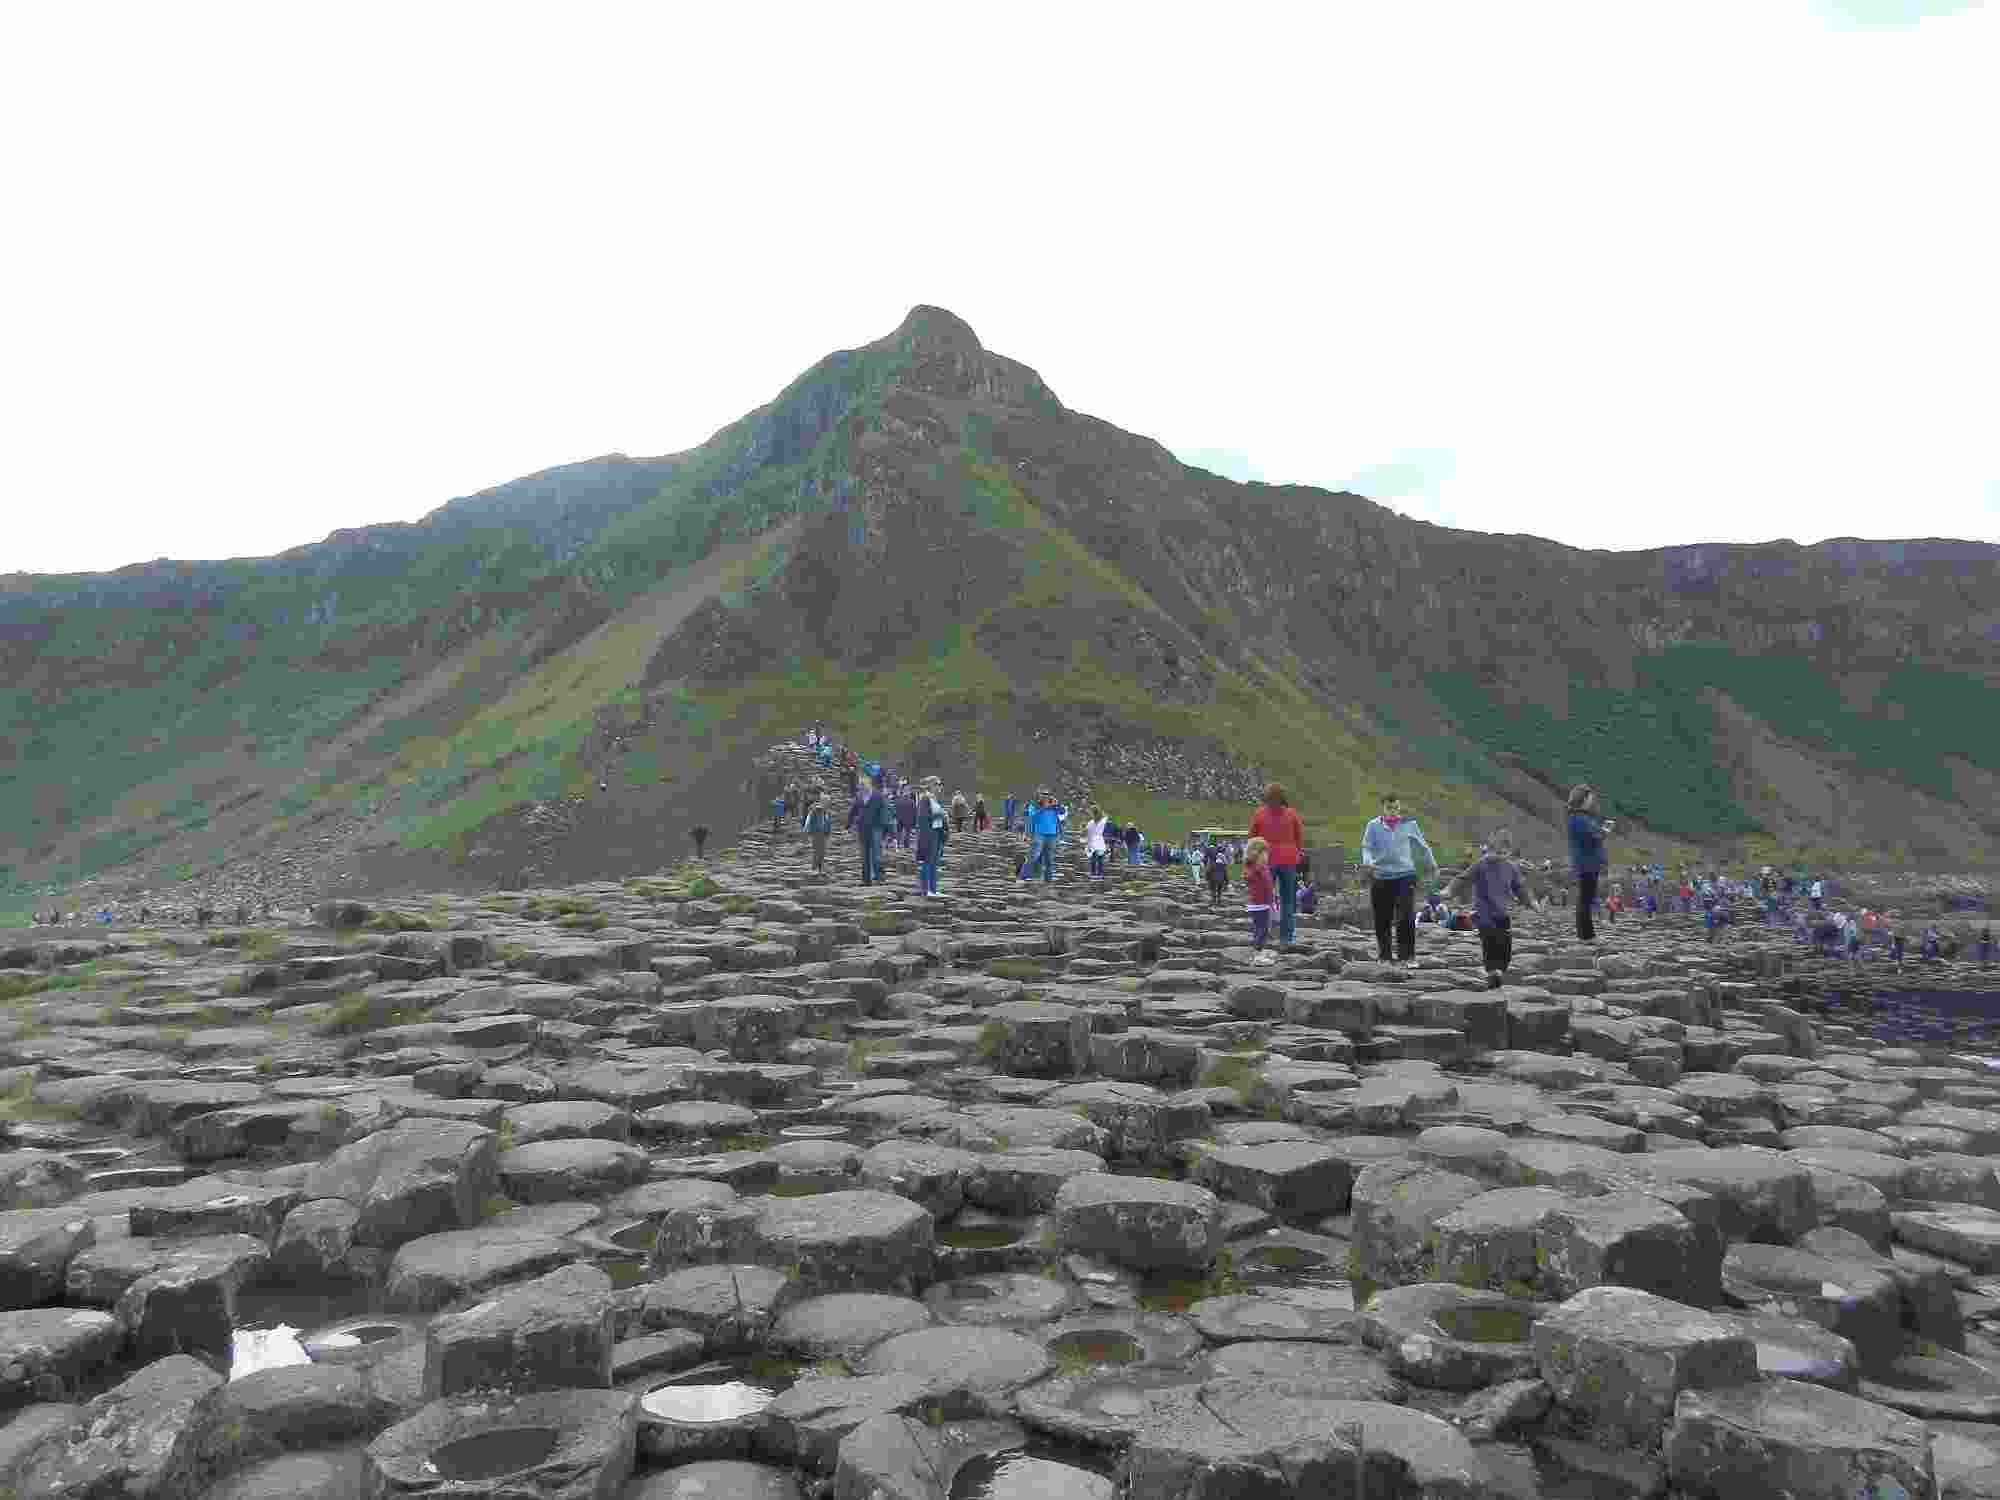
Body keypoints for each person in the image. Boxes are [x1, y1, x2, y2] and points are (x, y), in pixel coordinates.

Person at [1448, 837, 1542, 990]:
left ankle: (1499, 970)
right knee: (1489, 941)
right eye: (1493, 852)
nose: (1496, 856)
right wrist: (1449, 891)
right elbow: (1462, 879)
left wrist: (1531, 902)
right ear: (1487, 850)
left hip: (1502, 912)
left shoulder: (1511, 868)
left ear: (1508, 853)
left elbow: (1520, 888)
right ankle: (1492, 972)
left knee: (1505, 944)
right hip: (1483, 911)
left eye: (1502, 853)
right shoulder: (1480, 865)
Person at [1360, 793, 1438, 965]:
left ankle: (1407, 957)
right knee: (1382, 918)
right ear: (1383, 808)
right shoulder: (1373, 826)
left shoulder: (1409, 824)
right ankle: (1385, 956)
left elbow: (1422, 846)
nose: (1393, 811)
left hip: (1405, 875)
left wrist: (1432, 865)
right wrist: (1368, 862)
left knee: (1406, 917)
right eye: (1389, 808)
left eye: (1396, 808)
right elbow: (1366, 847)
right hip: (1380, 876)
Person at [1249, 783, 1306, 949]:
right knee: (1288, 901)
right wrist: (1297, 852)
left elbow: (1252, 838)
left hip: (1267, 861)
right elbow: (1299, 837)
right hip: (1288, 860)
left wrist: (1252, 860)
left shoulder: (1259, 813)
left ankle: (1261, 936)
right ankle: (1286, 938)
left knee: (1263, 899)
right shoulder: (1291, 814)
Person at [1565, 785, 1613, 943]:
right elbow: (1593, 839)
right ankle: (1586, 935)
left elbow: (1594, 836)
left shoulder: (1580, 817)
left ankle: (1586, 934)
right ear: (1583, 799)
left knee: (1586, 898)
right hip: (1586, 863)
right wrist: (1606, 831)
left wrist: (1602, 831)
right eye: (1590, 798)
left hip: (1587, 862)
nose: (1592, 801)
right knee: (1585, 899)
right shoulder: (1578, 818)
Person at [1244, 837, 1276, 965]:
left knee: (1261, 929)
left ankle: (1259, 952)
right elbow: (1267, 886)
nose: (1267, 856)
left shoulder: (1255, 867)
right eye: (1265, 853)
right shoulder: (1259, 868)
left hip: (1258, 904)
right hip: (1260, 904)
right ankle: (1258, 955)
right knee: (1262, 930)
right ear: (1257, 853)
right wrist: (1272, 902)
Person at [914, 778, 947, 897]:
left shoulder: (934, 799)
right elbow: (923, 818)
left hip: (937, 833)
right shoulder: (925, 798)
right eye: (938, 784)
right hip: (929, 834)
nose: (940, 787)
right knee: (927, 862)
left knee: (934, 862)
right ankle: (926, 889)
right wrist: (940, 814)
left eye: (940, 785)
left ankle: (933, 889)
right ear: (931, 786)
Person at [859, 777, 889, 886]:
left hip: (876, 828)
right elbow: (854, 809)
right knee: (865, 855)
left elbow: (884, 811)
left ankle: (879, 877)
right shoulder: (859, 796)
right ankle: (866, 879)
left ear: (869, 784)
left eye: (863, 784)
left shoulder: (878, 796)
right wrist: (848, 825)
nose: (861, 787)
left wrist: (886, 827)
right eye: (860, 785)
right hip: (863, 829)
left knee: (877, 854)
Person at [804, 793, 832, 874]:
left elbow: (828, 822)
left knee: (822, 851)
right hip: (816, 833)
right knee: (817, 850)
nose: (828, 803)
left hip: (824, 833)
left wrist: (828, 831)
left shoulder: (826, 811)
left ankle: (819, 868)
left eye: (828, 801)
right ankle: (815, 868)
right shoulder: (816, 810)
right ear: (822, 801)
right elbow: (809, 820)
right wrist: (807, 830)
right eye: (826, 801)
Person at [1084, 806, 1109, 881]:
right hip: (1100, 840)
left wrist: (1088, 843)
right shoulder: (1102, 821)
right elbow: (1106, 816)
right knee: (1100, 858)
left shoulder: (1090, 823)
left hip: (1093, 840)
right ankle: (1100, 873)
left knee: (1093, 858)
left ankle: (1093, 873)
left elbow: (1088, 833)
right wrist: (1100, 811)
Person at [895, 786, 918, 852]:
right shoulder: (912, 802)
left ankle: (898, 844)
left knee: (899, 832)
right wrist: (915, 821)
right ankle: (906, 846)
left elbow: (895, 810)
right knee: (907, 833)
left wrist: (896, 817)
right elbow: (914, 812)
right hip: (908, 819)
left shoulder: (898, 800)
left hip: (899, 819)